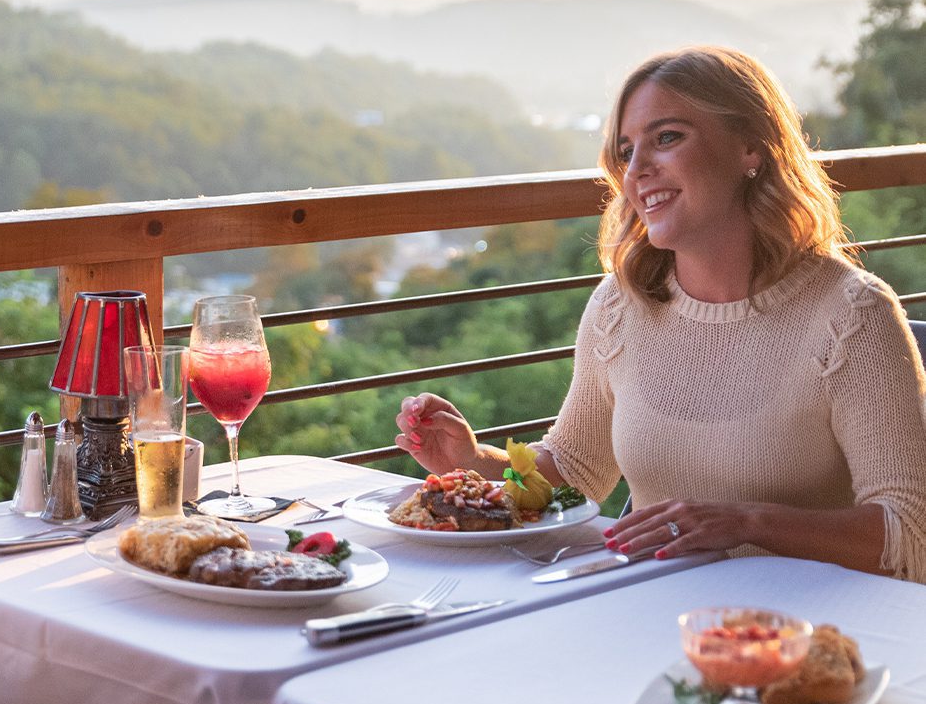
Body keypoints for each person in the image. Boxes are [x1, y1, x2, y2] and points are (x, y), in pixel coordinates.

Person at [395, 45, 926, 583]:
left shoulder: (852, 316)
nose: (638, 171)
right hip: (651, 613)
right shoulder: (619, 307)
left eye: (667, 138)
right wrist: (471, 462)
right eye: (627, 152)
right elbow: (576, 472)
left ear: (750, 148)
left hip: (809, 635)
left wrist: (748, 523)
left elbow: (910, 532)